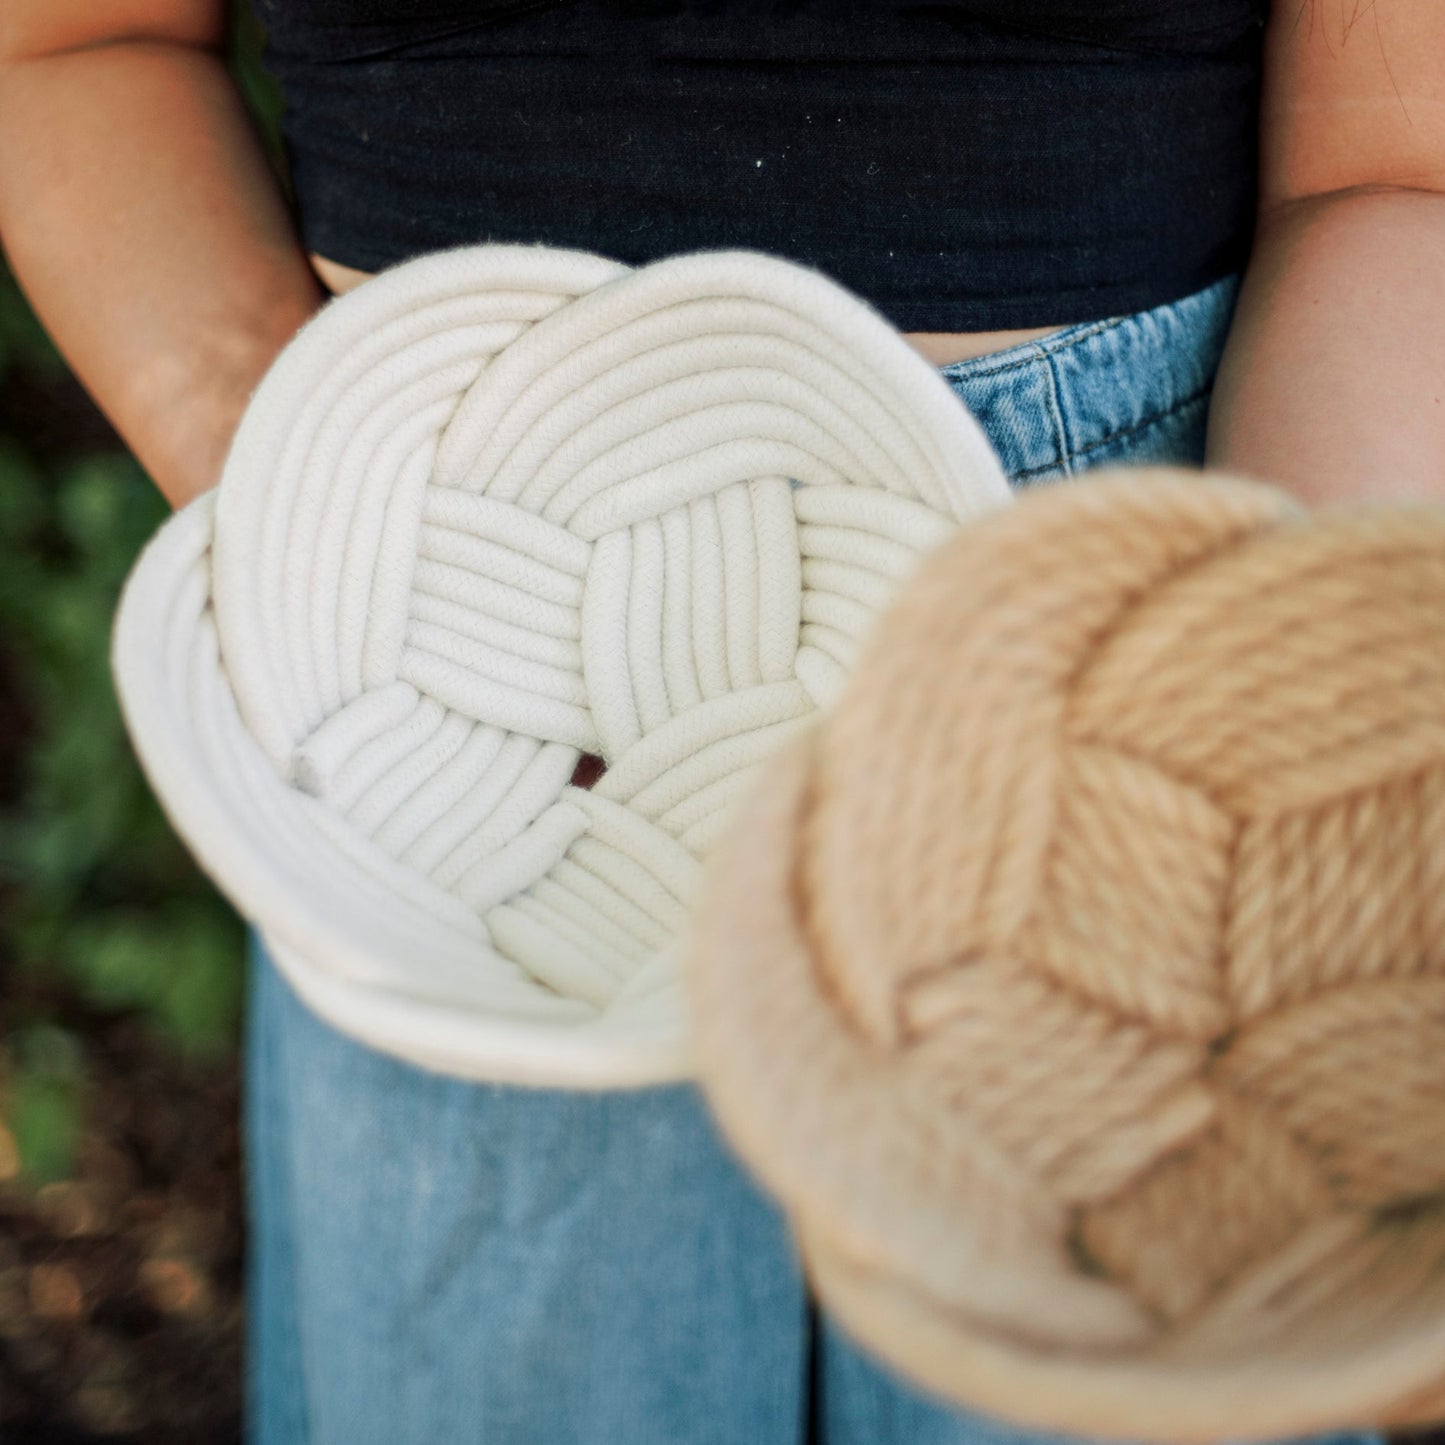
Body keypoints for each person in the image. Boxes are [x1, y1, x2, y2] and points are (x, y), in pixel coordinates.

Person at [0, 1, 1441, 1441]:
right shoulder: (426, 643)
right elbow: (78, 46)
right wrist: (343, 552)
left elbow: (1391, 173)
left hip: (1125, 679)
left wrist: (1273, 743)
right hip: (478, 726)